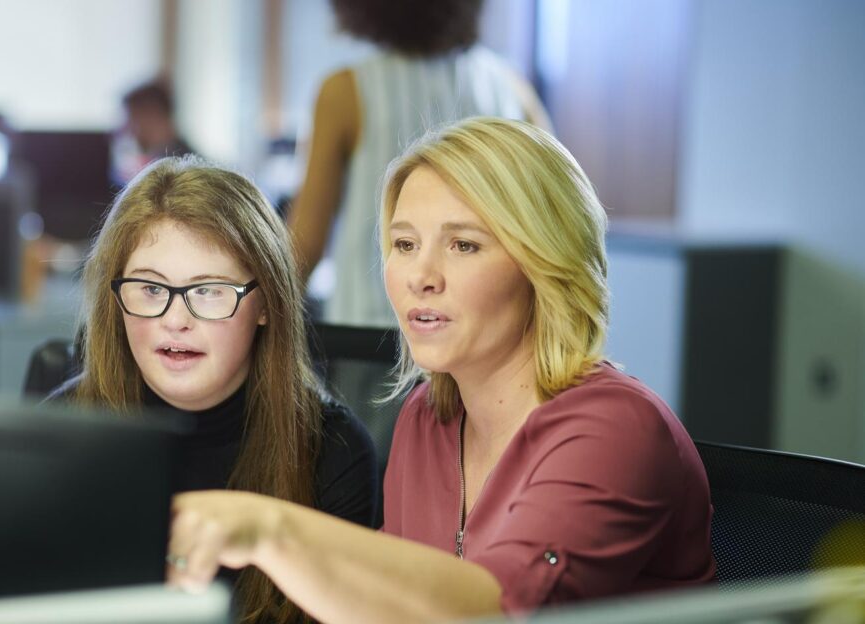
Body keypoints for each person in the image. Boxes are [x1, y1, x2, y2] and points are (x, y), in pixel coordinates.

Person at [167, 118, 716, 622]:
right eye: (404, 244)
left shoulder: (615, 427)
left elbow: (496, 611)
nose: (420, 276)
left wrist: (271, 529)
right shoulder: (427, 417)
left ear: (543, 263)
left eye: (463, 245)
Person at [52, 155, 378, 623]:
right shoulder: (62, 429)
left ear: (265, 303)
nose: (175, 320)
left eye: (208, 291)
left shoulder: (333, 452)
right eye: (149, 288)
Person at [288, 0, 551, 327]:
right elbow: (549, 225)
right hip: (484, 335)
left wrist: (258, 316)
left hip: (372, 337)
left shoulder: (345, 92)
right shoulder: (511, 90)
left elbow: (305, 243)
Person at [111, 79, 198, 186]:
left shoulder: (180, 175)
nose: (125, 130)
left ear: (153, 116)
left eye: (131, 120)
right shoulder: (173, 162)